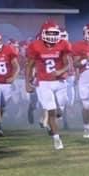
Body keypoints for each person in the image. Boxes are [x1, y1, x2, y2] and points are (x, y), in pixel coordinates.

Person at [25, 21, 74, 150]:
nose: (52, 35)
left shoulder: (63, 44)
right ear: (43, 34)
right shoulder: (35, 46)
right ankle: (56, 138)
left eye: (54, 33)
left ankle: (53, 124)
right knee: (51, 111)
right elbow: (29, 65)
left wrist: (60, 71)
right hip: (44, 82)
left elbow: (68, 64)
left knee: (61, 108)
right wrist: (27, 82)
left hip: (60, 81)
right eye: (49, 33)